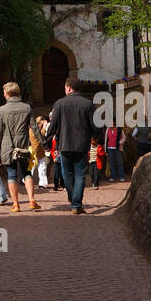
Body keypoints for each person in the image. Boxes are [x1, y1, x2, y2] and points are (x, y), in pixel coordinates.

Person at [41, 76, 95, 214]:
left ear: (69, 88)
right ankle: (76, 203)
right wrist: (98, 138)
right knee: (80, 174)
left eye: (65, 87)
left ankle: (73, 199)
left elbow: (53, 126)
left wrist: (47, 141)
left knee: (67, 174)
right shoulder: (88, 103)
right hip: (82, 144)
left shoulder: (59, 104)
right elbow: (94, 125)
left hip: (64, 144)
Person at [0, 82, 39, 212]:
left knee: (11, 174)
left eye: (4, 92)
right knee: (27, 173)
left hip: (8, 146)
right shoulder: (26, 108)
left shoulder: (3, 109)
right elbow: (35, 128)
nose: (3, 94)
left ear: (8, 93)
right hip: (23, 145)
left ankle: (15, 204)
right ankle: (32, 200)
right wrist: (44, 143)